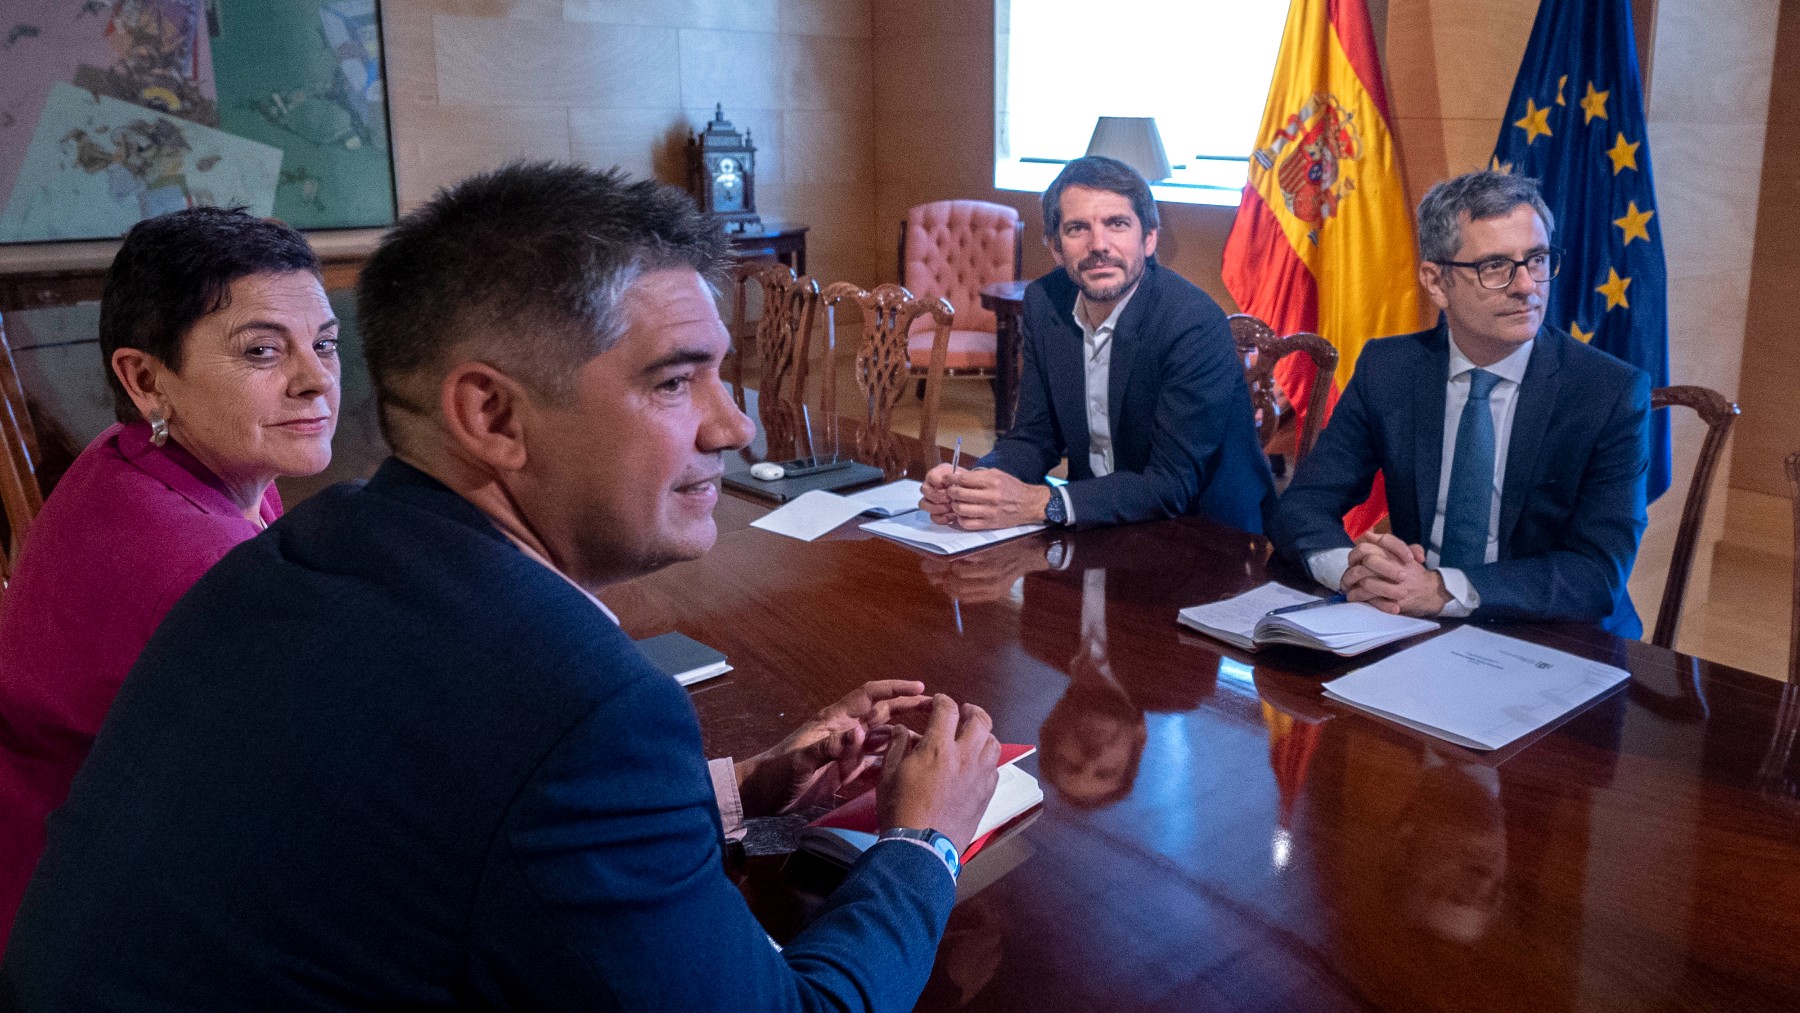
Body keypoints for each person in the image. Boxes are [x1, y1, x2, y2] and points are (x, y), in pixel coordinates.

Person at [1, 163, 1001, 1012]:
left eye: (720, 376)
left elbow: (467, 821)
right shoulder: (586, 709)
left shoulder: (306, 546)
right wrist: (924, 841)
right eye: (672, 380)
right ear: (492, 413)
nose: (732, 427)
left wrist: (754, 788)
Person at [0, 207, 340, 948]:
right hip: (83, 931)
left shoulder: (142, 457)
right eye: (262, 351)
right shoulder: (187, 560)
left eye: (324, 343)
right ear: (147, 378)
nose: (315, 381)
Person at [1269, 170, 1649, 636]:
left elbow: (1597, 573)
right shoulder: (1390, 369)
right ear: (1435, 281)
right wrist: (1357, 572)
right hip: (1411, 621)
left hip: (1557, 634)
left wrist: (1443, 590)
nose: (1527, 286)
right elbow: (1303, 506)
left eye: (1537, 259)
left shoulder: (1608, 392)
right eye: (1495, 267)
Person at [919, 155, 1273, 533]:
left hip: (1207, 538)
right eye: (1077, 229)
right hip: (1096, 523)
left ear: (1149, 238)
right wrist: (975, 486)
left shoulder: (1192, 322)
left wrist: (1044, 502)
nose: (1098, 245)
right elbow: (1034, 438)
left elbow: (1171, 484)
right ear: (1055, 248)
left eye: (1117, 224)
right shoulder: (1044, 302)